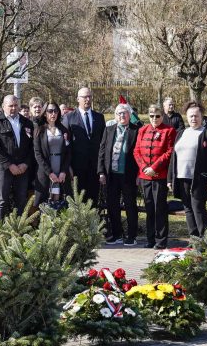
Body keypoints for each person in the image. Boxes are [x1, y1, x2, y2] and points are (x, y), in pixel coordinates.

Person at [168, 103, 207, 239]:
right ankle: (194, 239)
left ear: (201, 116)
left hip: (199, 179)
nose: (193, 119)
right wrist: (170, 178)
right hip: (181, 177)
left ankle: (205, 240)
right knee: (188, 209)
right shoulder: (181, 133)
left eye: (196, 116)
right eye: (191, 116)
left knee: (198, 208)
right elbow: (173, 157)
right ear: (187, 117)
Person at [134, 105, 176, 250]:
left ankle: (161, 240)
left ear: (162, 117)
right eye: (151, 116)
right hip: (145, 176)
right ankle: (150, 239)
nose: (154, 119)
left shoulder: (169, 131)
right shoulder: (142, 130)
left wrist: (154, 167)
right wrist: (145, 168)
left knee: (160, 209)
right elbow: (136, 151)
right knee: (149, 208)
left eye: (157, 116)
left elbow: (169, 152)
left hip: (160, 176)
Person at [98, 103, 140, 244]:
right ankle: (117, 234)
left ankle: (131, 235)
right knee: (112, 205)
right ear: (115, 116)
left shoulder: (136, 130)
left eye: (124, 113)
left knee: (130, 205)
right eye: (119, 113)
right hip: (111, 175)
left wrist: (139, 174)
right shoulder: (109, 130)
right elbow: (102, 152)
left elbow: (140, 154)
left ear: (129, 115)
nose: (122, 116)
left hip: (129, 174)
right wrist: (101, 172)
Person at [0, 94, 35, 221]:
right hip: (4, 168)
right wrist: (9, 164)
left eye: (16, 105)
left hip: (22, 168)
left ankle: (20, 231)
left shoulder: (27, 123)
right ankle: (1, 233)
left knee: (21, 200)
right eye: (10, 106)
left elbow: (33, 147)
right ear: (3, 107)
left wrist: (26, 163)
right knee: (2, 201)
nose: (13, 108)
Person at [63, 87, 105, 207]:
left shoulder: (99, 117)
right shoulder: (69, 117)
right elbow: (66, 144)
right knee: (79, 200)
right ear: (78, 99)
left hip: (94, 167)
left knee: (93, 199)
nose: (87, 99)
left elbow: (103, 143)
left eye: (89, 96)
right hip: (77, 167)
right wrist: (68, 166)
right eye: (84, 97)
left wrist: (102, 167)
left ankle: (94, 224)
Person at [33, 101, 72, 208]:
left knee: (60, 200)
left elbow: (68, 152)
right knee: (43, 202)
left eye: (55, 111)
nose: (53, 114)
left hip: (61, 169)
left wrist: (64, 171)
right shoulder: (39, 130)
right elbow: (38, 153)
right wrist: (49, 173)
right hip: (46, 170)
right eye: (50, 111)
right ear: (45, 113)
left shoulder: (64, 130)